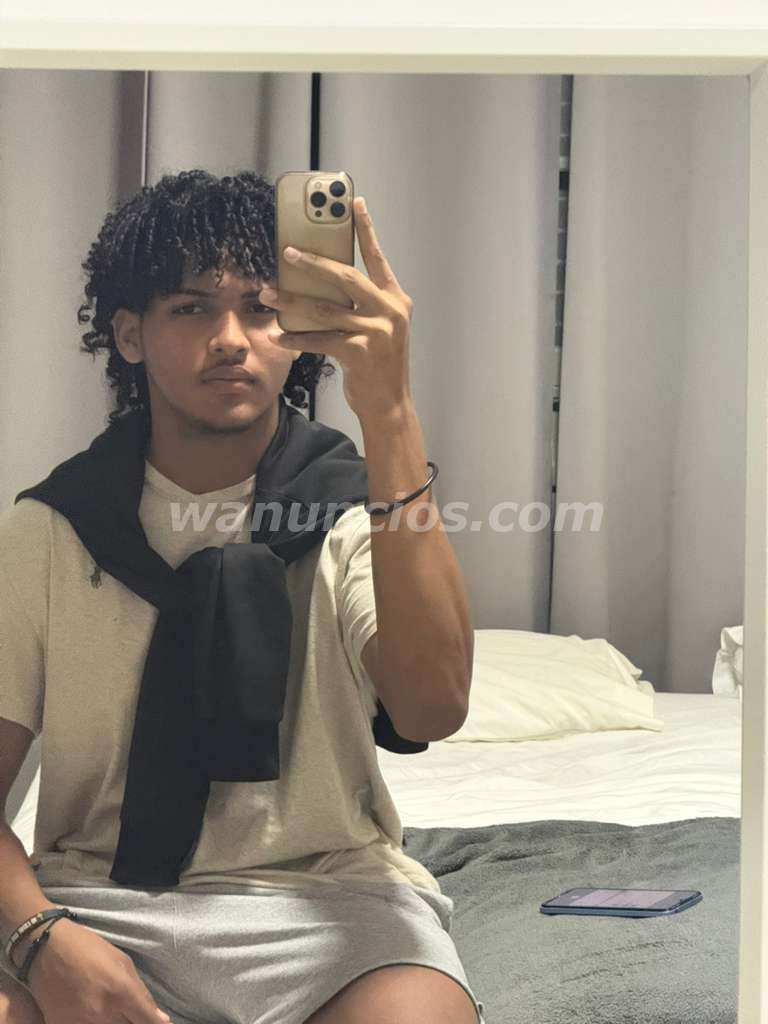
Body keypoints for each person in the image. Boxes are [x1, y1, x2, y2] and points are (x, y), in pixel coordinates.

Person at [0, 170, 485, 1024]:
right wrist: (40, 938)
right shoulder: (52, 528)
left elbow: (432, 708)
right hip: (94, 907)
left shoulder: (355, 513)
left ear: (298, 334)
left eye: (263, 309)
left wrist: (392, 414)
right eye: (192, 308)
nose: (231, 339)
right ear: (130, 334)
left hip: (334, 907)